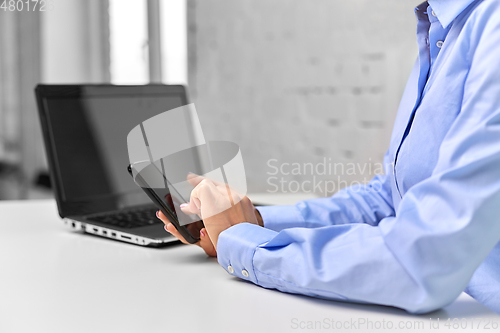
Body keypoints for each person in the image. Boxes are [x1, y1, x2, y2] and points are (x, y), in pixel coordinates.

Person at [157, 0, 500, 314]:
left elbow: (425, 258)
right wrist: (255, 224)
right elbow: (393, 198)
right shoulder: (443, 27)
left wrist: (246, 244)